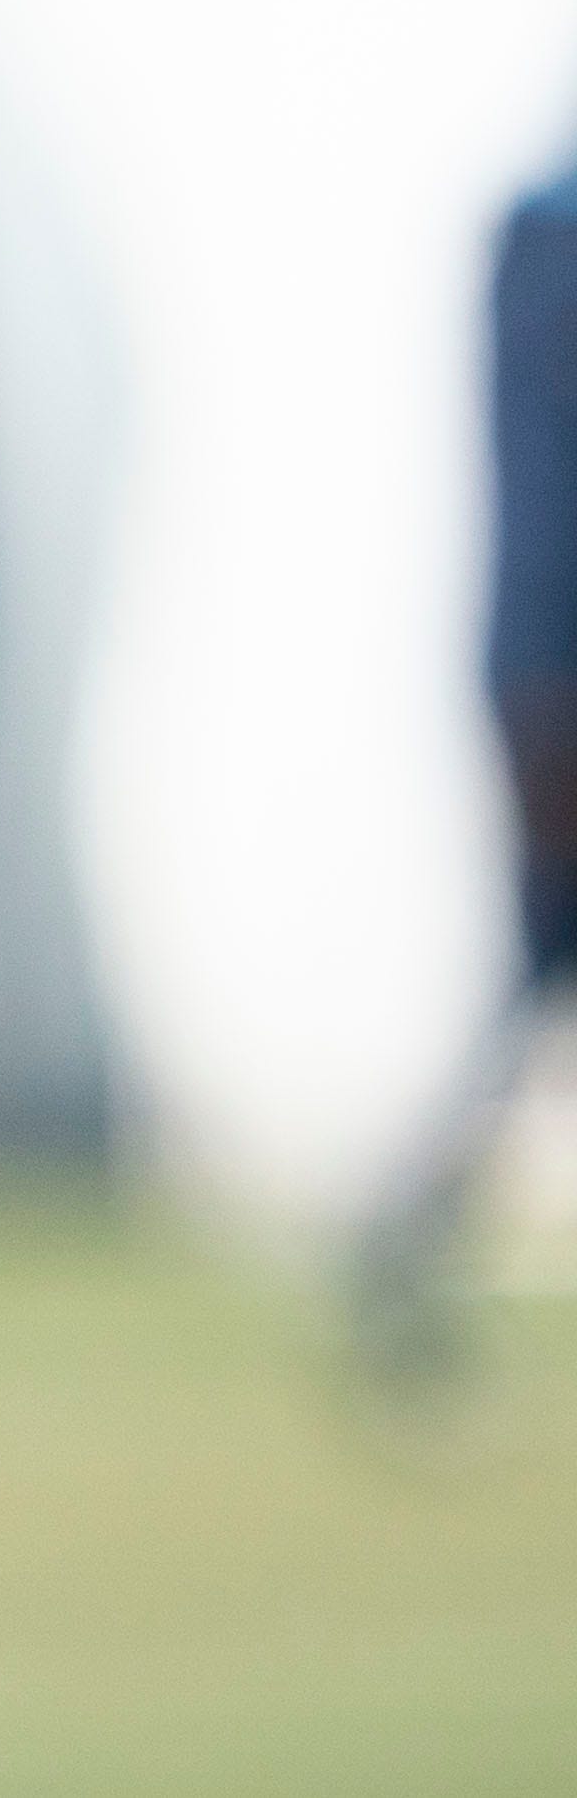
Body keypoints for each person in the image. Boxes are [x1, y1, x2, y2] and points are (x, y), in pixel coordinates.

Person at [359, 159, 577, 1370]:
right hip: (558, 696)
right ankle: (404, 1254)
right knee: (530, 977)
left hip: (543, 684)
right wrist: (543, 698)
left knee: (527, 988)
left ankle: (404, 1249)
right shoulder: (551, 239)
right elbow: (542, 497)